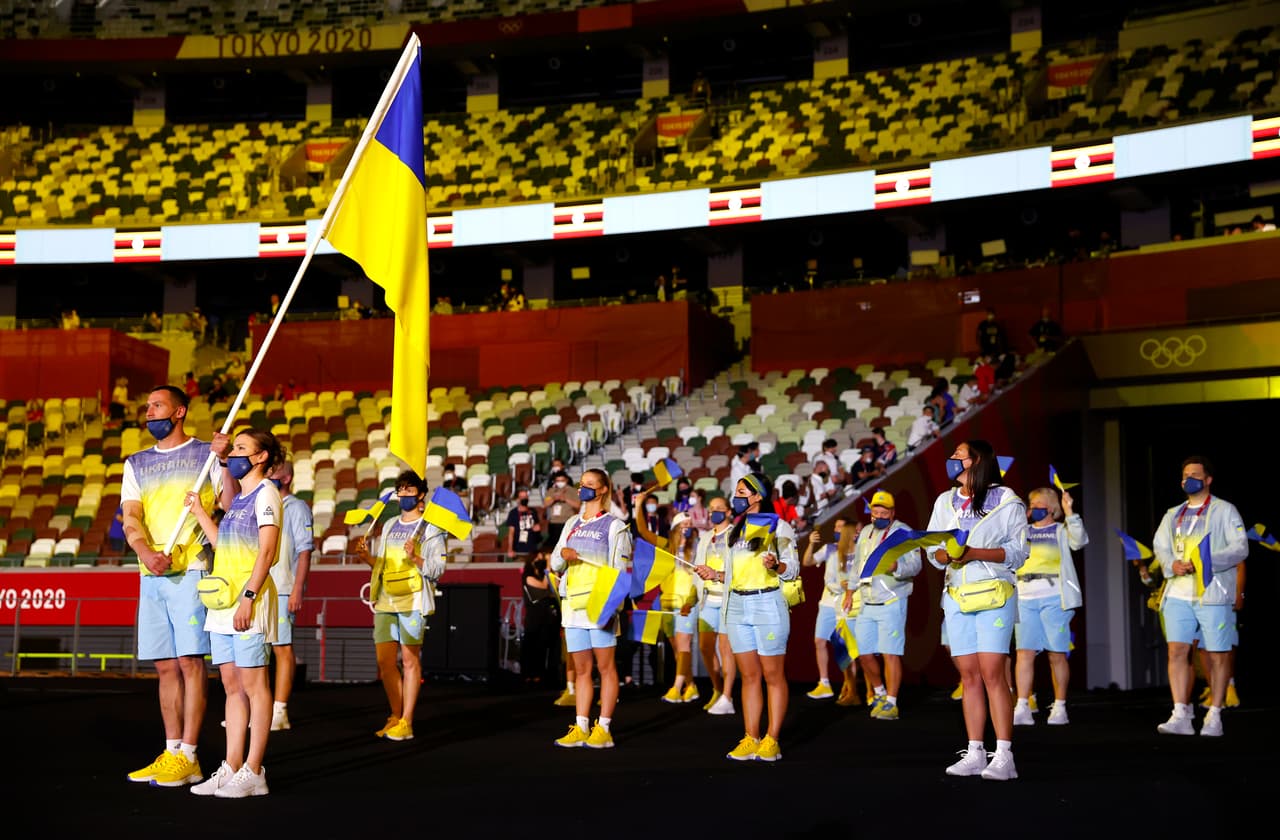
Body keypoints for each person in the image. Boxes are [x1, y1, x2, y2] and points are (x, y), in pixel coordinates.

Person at [122, 385, 232, 788]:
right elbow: (131, 516)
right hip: (151, 574)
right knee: (165, 666)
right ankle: (171, 751)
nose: (149, 412)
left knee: (190, 663)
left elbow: (230, 500)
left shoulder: (205, 454)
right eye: (147, 406)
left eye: (156, 406)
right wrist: (145, 551)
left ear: (180, 411)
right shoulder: (136, 463)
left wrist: (223, 459)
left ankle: (189, 754)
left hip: (191, 572)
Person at [182, 429, 284, 798]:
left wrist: (249, 597)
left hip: (247, 603)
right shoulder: (238, 498)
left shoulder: (267, 494)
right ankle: (233, 765)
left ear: (260, 457)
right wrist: (198, 511)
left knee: (256, 687)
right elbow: (220, 542)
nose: (233, 453)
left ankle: (255, 771)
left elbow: (267, 552)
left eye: (242, 448)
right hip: (221, 604)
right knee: (232, 686)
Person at [924, 439, 1028, 781]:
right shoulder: (944, 501)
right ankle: (974, 751)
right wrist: (944, 556)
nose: (951, 459)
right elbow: (933, 550)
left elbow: (1018, 552)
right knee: (968, 676)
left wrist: (973, 553)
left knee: (992, 672)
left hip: (994, 594)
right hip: (956, 594)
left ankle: (1004, 755)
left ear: (977, 460)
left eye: (958, 454)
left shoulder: (1006, 499)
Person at [693, 473, 798, 762]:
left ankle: (771, 739)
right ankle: (751, 737)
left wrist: (777, 565)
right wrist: (715, 575)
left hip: (768, 603)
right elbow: (734, 575)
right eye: (735, 491)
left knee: (772, 675)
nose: (735, 496)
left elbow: (793, 570)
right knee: (749, 676)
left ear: (757, 496)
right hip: (737, 606)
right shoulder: (734, 531)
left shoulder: (779, 526)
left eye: (742, 492)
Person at [1152, 456, 1247, 737]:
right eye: (1184, 475)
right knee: (1177, 651)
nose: (1187, 479)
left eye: (1194, 474)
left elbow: (1240, 548)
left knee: (1217, 654)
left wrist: (1206, 561)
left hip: (1213, 594)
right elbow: (1161, 546)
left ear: (1208, 480)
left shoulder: (1225, 511)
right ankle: (1180, 713)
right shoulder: (1173, 514)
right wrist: (1172, 564)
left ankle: (1214, 715)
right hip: (1179, 593)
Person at [351, 470, 447, 743]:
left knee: (409, 660)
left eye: (408, 490)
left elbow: (438, 568)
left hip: (413, 601)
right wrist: (366, 557)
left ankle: (407, 721)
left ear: (420, 496)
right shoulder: (391, 523)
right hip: (385, 600)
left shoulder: (430, 528)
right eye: (400, 490)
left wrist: (415, 557)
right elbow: (381, 565)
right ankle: (395, 715)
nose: (403, 495)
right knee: (384, 662)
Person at [550, 469, 633, 749]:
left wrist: (612, 607)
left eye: (589, 484)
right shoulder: (571, 522)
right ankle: (582, 725)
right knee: (582, 670)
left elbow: (620, 572)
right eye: (581, 484)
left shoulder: (614, 526)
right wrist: (563, 554)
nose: (583, 488)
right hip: (573, 605)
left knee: (606, 668)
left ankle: (604, 727)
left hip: (600, 606)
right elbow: (554, 562)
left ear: (602, 490)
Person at [1012, 487, 1085, 727]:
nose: (1033, 508)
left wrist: (1070, 512)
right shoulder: (1022, 533)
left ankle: (1060, 706)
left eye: (1039, 504)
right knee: (1024, 653)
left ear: (1053, 509)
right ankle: (1022, 705)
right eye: (1031, 504)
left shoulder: (1062, 530)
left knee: (1056, 654)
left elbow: (1080, 541)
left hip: (1055, 599)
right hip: (1024, 599)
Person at [856, 491, 921, 720]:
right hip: (867, 600)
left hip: (892, 600)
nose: (879, 516)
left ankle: (892, 703)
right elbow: (858, 564)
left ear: (893, 513)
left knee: (890, 653)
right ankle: (880, 693)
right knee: (864, 654)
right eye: (876, 512)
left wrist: (897, 567)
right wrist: (851, 591)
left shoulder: (903, 533)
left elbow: (916, 565)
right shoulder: (865, 532)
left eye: (884, 512)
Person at [266, 459, 313, 732]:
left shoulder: (296, 508)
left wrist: (297, 589)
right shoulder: (266, 504)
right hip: (262, 589)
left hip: (284, 587)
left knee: (282, 649)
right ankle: (260, 709)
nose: (269, 475)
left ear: (286, 478)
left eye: (274, 472)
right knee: (260, 651)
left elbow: (305, 552)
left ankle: (280, 710)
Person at [635, 510, 699, 705]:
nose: (687, 527)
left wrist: (690, 600)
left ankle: (676, 688)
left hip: (687, 602)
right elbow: (643, 532)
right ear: (675, 528)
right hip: (667, 602)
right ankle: (691, 687)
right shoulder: (666, 546)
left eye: (690, 524)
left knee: (684, 645)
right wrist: (639, 506)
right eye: (683, 524)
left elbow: (698, 579)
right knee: (677, 649)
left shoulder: (696, 548)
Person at [802, 515, 861, 705]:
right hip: (827, 602)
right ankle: (825, 683)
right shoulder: (829, 549)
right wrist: (811, 544)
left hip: (848, 603)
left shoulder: (860, 551)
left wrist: (850, 588)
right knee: (819, 641)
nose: (837, 530)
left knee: (845, 647)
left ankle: (850, 686)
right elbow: (808, 562)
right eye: (835, 527)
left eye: (841, 527)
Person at [693, 495, 737, 715]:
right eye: (711, 509)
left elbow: (739, 570)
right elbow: (698, 564)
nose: (714, 512)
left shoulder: (735, 535)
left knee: (725, 649)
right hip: (707, 600)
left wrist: (719, 576)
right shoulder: (705, 537)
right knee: (704, 647)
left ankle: (728, 696)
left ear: (729, 511)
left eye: (719, 509)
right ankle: (717, 689)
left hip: (727, 600)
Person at [521, 550, 560, 684]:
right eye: (538, 558)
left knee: (542, 645)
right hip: (534, 616)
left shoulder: (541, 573)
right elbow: (544, 585)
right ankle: (528, 673)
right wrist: (548, 566)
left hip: (545, 615)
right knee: (531, 644)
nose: (540, 560)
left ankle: (541, 673)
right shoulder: (528, 576)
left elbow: (552, 585)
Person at [504, 487, 543, 560]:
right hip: (519, 549)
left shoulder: (533, 511)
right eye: (522, 497)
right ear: (518, 499)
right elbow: (511, 532)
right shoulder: (513, 513)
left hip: (532, 548)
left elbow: (537, 526)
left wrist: (538, 528)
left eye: (525, 497)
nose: (524, 499)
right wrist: (510, 548)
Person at [543, 470, 580, 547]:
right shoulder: (551, 491)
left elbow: (577, 505)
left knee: (566, 544)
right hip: (554, 522)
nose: (560, 482)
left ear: (566, 480)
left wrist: (565, 499)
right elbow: (545, 504)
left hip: (567, 522)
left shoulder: (573, 491)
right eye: (558, 481)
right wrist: (553, 499)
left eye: (562, 480)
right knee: (553, 545)